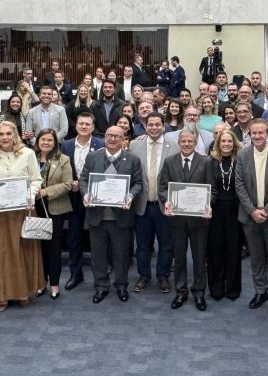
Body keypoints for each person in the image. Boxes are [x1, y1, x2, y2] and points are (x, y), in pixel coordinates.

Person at [0, 121, 44, 311]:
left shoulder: (28, 154)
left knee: (23, 253)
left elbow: (36, 179)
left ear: (15, 135)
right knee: (2, 255)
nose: (5, 138)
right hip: (0, 214)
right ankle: (2, 295)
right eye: (1, 134)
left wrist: (31, 196)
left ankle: (23, 292)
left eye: (9, 134)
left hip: (23, 210)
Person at [80, 125, 143, 303]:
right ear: (104, 137)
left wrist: (130, 195)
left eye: (117, 136)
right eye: (109, 135)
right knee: (98, 254)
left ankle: (121, 285)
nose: (113, 139)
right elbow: (84, 179)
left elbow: (138, 183)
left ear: (124, 140)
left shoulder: (132, 159)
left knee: (121, 254)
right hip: (97, 215)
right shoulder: (93, 157)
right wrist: (85, 193)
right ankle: (101, 285)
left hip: (121, 216)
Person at [234, 118, 268, 313]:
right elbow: (239, 185)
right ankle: (260, 291)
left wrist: (266, 210)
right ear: (249, 135)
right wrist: (252, 210)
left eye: (261, 133)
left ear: (267, 134)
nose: (257, 136)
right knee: (256, 258)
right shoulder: (242, 155)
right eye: (254, 133)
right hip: (249, 216)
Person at [159, 130, 215, 310]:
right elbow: (162, 188)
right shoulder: (169, 162)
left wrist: (208, 204)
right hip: (177, 220)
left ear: (196, 141)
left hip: (199, 221)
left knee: (199, 259)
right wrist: (167, 200)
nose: (187, 144)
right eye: (183, 141)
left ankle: (199, 293)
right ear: (179, 142)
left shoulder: (206, 162)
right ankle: (181, 292)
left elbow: (212, 191)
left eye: (190, 141)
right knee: (180, 258)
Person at [129, 112, 179, 294]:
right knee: (142, 245)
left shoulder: (173, 146)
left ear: (163, 126)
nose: (154, 128)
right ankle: (143, 276)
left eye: (158, 124)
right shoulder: (135, 145)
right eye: (150, 124)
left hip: (164, 204)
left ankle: (163, 276)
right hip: (142, 204)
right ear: (145, 125)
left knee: (166, 244)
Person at [60, 112, 104, 290]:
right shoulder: (66, 145)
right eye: (81, 124)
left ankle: (100, 275)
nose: (84, 126)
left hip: (94, 197)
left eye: (88, 124)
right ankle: (75, 273)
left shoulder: (101, 145)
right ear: (76, 126)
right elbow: (60, 168)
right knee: (74, 236)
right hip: (72, 196)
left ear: (93, 127)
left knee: (97, 236)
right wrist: (71, 183)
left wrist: (88, 186)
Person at [33, 128, 73, 300]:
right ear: (38, 142)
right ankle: (41, 281)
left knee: (54, 248)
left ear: (55, 143)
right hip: (34, 209)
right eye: (43, 140)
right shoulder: (30, 158)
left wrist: (45, 192)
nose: (46, 143)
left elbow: (68, 184)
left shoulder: (63, 159)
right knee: (37, 248)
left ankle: (54, 283)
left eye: (50, 140)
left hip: (55, 209)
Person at [207, 128, 243, 301]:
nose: (226, 144)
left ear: (234, 143)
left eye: (229, 141)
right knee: (216, 250)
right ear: (218, 144)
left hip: (236, 211)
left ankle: (233, 287)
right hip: (215, 211)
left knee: (234, 250)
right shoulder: (211, 162)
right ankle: (216, 285)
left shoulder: (241, 161)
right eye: (223, 141)